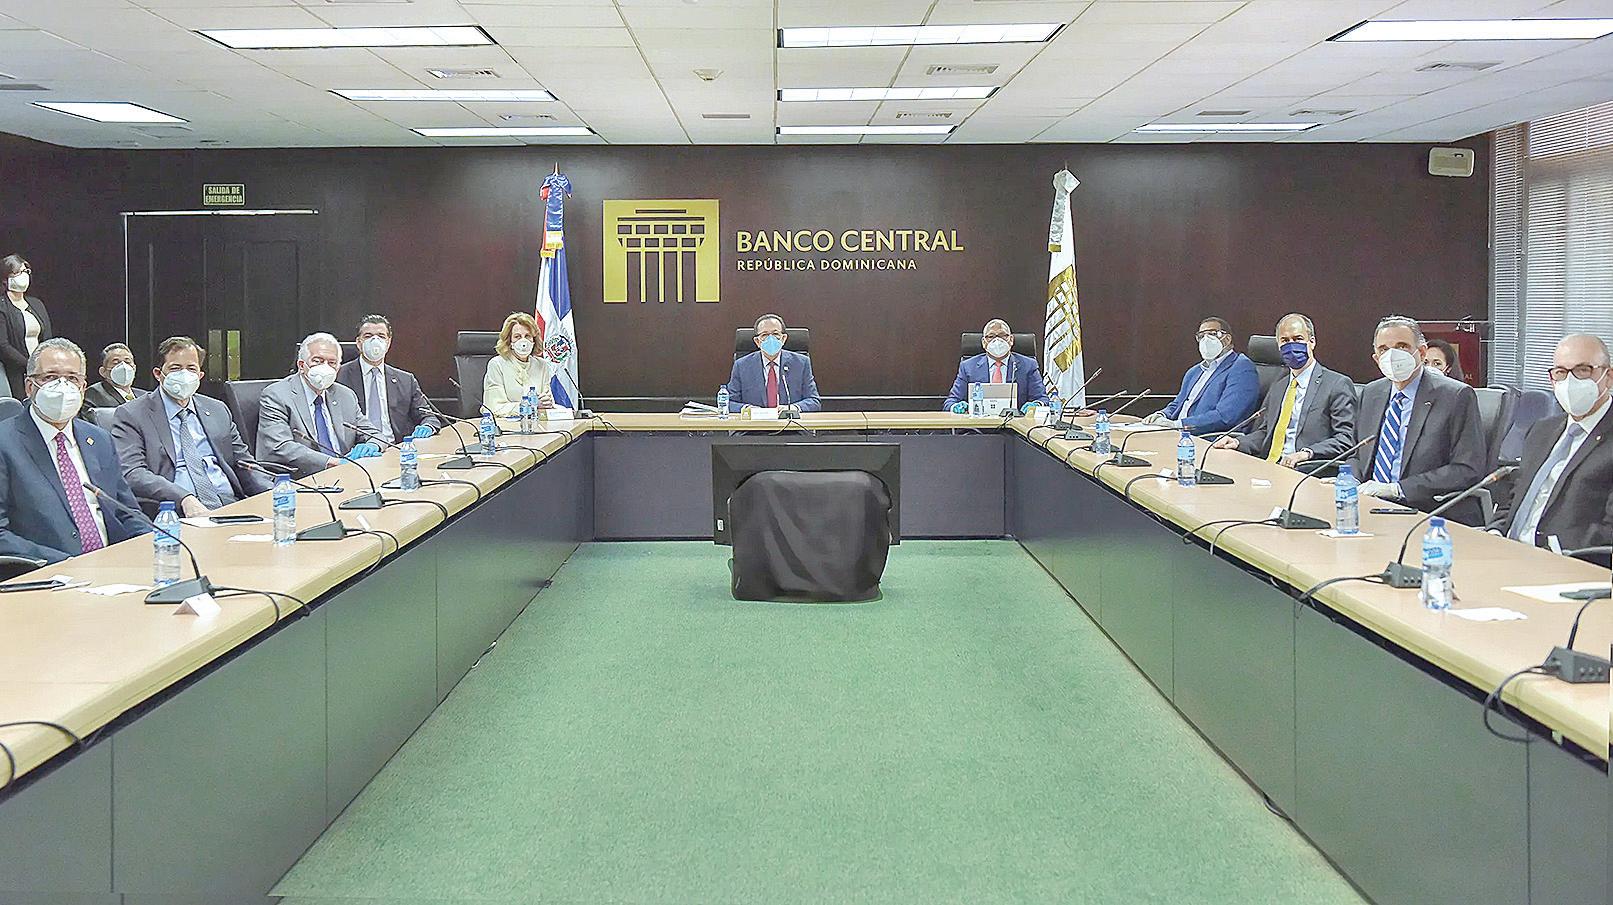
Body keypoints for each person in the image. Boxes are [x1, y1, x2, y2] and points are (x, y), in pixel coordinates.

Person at [0, 338, 149, 563]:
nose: (63, 386)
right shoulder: (5, 442)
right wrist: (65, 563)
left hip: (113, 567)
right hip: (48, 572)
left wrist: (155, 543)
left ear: (82, 388)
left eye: (72, 378)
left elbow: (126, 512)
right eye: (50, 377)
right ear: (30, 387)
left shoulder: (99, 439)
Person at [111, 336, 274, 517]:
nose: (184, 374)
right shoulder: (132, 414)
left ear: (200, 375)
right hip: (174, 510)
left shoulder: (218, 409)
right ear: (158, 374)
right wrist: (183, 498)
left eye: (191, 368)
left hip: (228, 504)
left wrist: (273, 491)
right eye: (175, 368)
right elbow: (133, 473)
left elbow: (243, 462)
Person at [1350, 315, 1487, 524]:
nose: (1392, 355)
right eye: (1384, 349)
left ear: (1421, 352)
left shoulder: (1455, 396)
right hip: (1369, 507)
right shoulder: (1371, 393)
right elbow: (1355, 453)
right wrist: (1350, 478)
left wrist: (1398, 489)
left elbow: (1467, 469)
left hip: (1425, 511)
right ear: (1376, 358)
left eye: (1402, 346)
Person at [1492, 333, 1613, 557]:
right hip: (1507, 552)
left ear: (1608, 377)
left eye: (1583, 370)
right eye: (1561, 372)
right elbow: (1515, 498)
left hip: (1565, 563)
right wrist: (1496, 531)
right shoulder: (1542, 430)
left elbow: (1608, 533)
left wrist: (1554, 555)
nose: (1570, 382)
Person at [1211, 313, 1356, 468]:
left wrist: (1307, 453)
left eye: (1298, 339)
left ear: (1312, 342)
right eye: (1285, 341)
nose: (1291, 345)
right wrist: (1238, 442)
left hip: (1305, 469)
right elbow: (1266, 434)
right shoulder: (1279, 386)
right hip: (1269, 466)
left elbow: (1345, 439)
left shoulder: (1336, 384)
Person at [257, 331, 378, 478]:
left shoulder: (345, 395)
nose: (325, 368)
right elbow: (279, 446)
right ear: (302, 365)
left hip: (347, 475)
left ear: (338, 368)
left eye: (332, 363)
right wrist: (332, 462)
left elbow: (374, 434)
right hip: (303, 479)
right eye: (317, 361)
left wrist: (373, 445)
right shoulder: (277, 395)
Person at [1142, 316, 1260, 434]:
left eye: (1212, 334)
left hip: (1208, 437)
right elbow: (1178, 403)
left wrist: (1178, 425)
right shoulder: (1194, 371)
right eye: (1201, 336)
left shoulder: (1241, 367)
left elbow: (1226, 416)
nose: (1206, 339)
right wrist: (1162, 415)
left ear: (1227, 339)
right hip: (1176, 433)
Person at [336, 314, 441, 443]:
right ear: (358, 342)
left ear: (388, 342)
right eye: (368, 336)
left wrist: (428, 426)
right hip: (359, 448)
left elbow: (428, 416)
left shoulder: (405, 380)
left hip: (395, 448)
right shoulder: (339, 376)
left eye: (381, 336)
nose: (375, 341)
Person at [942, 319, 1049, 411]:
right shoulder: (968, 367)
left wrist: (1036, 405)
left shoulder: (1028, 366)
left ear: (1011, 340)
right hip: (978, 426)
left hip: (1017, 426)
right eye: (991, 336)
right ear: (984, 342)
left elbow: (1042, 399)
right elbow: (950, 402)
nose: (997, 340)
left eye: (1003, 335)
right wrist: (956, 407)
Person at [725, 313, 821, 413]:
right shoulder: (742, 365)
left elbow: (814, 401)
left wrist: (793, 408)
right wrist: (747, 409)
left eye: (775, 334)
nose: (771, 339)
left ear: (783, 339)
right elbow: (729, 402)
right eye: (764, 335)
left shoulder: (801, 363)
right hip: (755, 422)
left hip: (789, 422)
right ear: (757, 341)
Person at [482, 312, 555, 417]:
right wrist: (530, 406)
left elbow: (547, 401)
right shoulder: (497, 364)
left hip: (537, 422)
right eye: (517, 336)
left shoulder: (542, 365)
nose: (523, 341)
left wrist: (547, 403)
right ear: (509, 341)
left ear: (534, 340)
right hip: (506, 424)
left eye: (527, 336)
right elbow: (494, 407)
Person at [0, 254, 52, 399]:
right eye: (17, 272)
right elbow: (3, 345)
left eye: (26, 271)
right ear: (5, 278)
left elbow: (47, 339)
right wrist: (29, 365)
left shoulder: (36, 304)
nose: (23, 276)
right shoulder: (2, 306)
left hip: (41, 371)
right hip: (14, 372)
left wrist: (43, 364)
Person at [83, 342, 147, 408]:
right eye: (116, 363)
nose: (124, 367)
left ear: (134, 368)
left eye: (127, 362)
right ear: (103, 372)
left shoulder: (145, 396)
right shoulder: (94, 394)